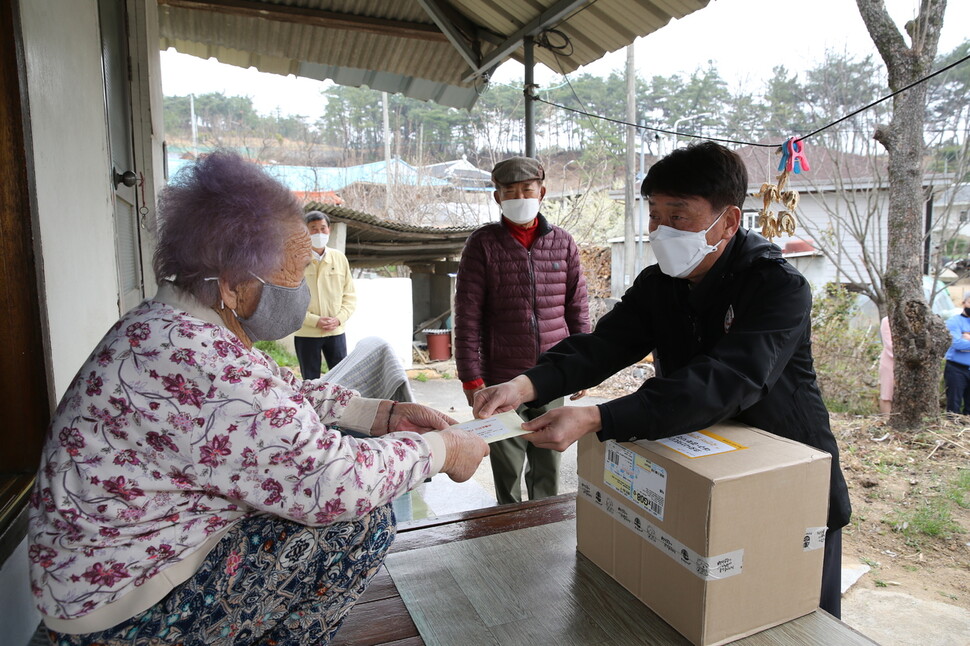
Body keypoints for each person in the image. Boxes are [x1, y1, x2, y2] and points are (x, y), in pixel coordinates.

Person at [28, 151, 489, 646]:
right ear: (231, 284)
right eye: (291, 274)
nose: (300, 291)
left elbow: (280, 393)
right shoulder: (193, 355)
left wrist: (384, 414)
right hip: (123, 612)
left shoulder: (174, 326)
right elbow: (332, 482)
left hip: (107, 577)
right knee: (358, 519)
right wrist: (444, 451)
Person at [473, 141, 851, 618]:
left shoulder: (777, 287)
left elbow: (725, 380)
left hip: (786, 474)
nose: (661, 230)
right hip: (703, 470)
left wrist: (597, 417)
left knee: (797, 618)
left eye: (679, 216)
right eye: (654, 215)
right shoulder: (661, 285)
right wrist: (525, 386)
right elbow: (602, 345)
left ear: (729, 221)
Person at [454, 156, 590, 505]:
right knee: (507, 462)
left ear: (541, 192)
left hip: (553, 372)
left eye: (527, 190)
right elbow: (467, 316)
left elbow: (576, 309)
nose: (519, 197)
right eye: (509, 192)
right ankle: (509, 522)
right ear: (497, 198)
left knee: (549, 458)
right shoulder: (482, 244)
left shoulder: (563, 242)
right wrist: (471, 379)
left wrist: (584, 367)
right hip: (501, 375)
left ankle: (543, 521)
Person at [294, 210, 356, 379]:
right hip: (307, 332)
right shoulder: (296, 260)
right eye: (313, 228)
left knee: (341, 379)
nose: (319, 233)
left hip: (336, 331)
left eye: (323, 228)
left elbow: (350, 296)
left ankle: (340, 407)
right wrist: (314, 321)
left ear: (329, 230)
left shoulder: (339, 258)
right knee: (310, 380)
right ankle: (312, 406)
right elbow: (290, 301)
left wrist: (338, 319)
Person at [944, 293, 970, 414]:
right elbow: (956, 343)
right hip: (956, 369)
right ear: (963, 303)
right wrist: (962, 340)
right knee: (954, 404)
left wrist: (967, 338)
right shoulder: (953, 322)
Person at [878, 316, 894, 414]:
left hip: (909, 363)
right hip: (889, 362)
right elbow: (889, 345)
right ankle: (886, 420)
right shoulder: (887, 321)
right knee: (887, 394)